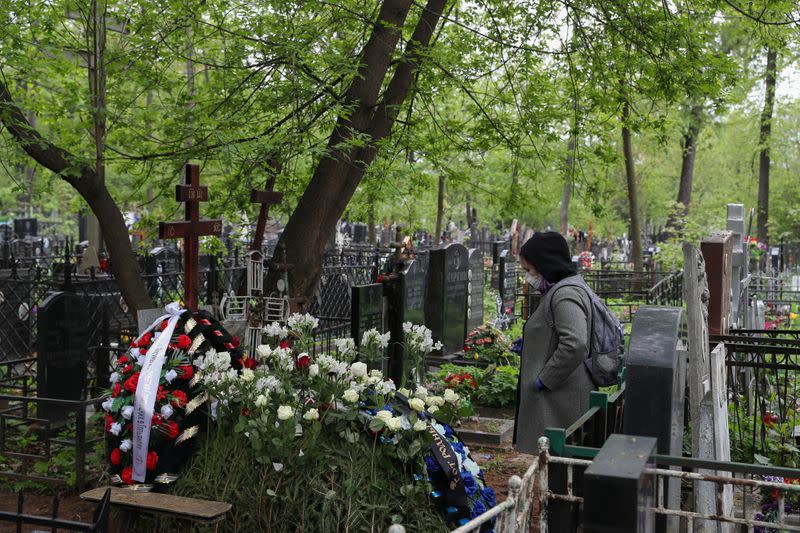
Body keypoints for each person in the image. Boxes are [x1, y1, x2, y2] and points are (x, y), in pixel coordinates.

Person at [513, 231, 596, 454]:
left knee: (555, 470)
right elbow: (557, 332)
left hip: (560, 399)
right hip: (558, 396)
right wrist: (533, 342)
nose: (527, 277)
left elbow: (575, 344)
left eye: (529, 270)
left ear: (544, 264)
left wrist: (545, 378)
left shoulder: (565, 294)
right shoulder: (560, 290)